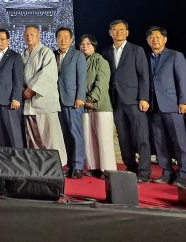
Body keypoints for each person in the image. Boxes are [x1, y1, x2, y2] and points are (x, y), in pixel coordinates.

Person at [102, 19, 151, 182]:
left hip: (135, 100)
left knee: (141, 137)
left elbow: (144, 76)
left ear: (127, 32)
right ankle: (131, 167)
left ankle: (144, 172)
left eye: (121, 29)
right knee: (123, 137)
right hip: (115, 101)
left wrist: (144, 98)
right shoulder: (106, 52)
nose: (118, 32)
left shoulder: (136, 50)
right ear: (110, 32)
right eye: (115, 29)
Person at [146, 26, 186, 185]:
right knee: (159, 141)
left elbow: (182, 79)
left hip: (172, 104)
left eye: (158, 37)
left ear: (165, 39)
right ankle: (166, 172)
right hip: (154, 106)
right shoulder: (146, 57)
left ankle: (183, 173)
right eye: (151, 37)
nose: (155, 39)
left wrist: (184, 101)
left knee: (179, 141)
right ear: (147, 41)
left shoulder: (175, 56)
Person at [21, 26, 67, 166]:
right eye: (27, 34)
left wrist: (32, 89)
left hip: (44, 101)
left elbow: (48, 74)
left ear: (38, 36)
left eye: (32, 34)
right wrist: (23, 90)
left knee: (51, 136)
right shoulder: (23, 54)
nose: (29, 36)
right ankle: (38, 165)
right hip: (28, 103)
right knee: (33, 138)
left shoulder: (46, 52)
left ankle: (57, 165)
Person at [78, 34, 116, 177]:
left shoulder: (101, 61)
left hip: (100, 106)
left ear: (94, 45)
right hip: (84, 107)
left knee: (104, 139)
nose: (85, 46)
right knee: (88, 139)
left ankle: (107, 170)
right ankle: (93, 167)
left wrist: (90, 99)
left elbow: (101, 84)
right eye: (82, 44)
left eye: (88, 44)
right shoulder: (80, 61)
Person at [55, 27, 87, 179]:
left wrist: (80, 97)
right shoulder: (53, 55)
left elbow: (82, 78)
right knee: (65, 136)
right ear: (56, 39)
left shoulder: (78, 55)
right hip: (57, 101)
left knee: (76, 134)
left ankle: (78, 166)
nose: (63, 40)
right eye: (60, 37)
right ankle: (70, 165)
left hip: (73, 101)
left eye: (66, 37)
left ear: (71, 40)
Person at [0, 28, 25, 149]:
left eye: (2, 39)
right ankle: (2, 159)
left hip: (10, 101)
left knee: (14, 134)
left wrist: (16, 98)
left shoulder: (15, 56)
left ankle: (18, 159)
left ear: (8, 40)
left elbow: (18, 79)